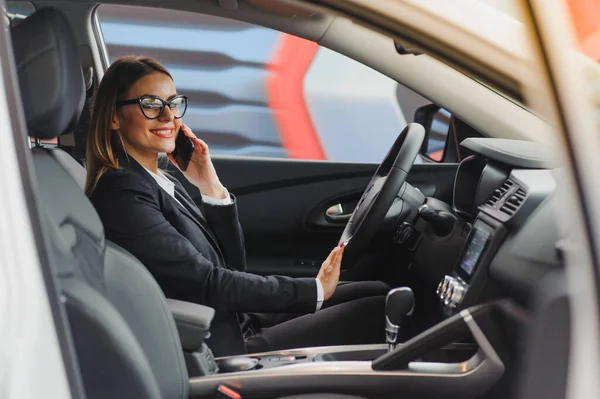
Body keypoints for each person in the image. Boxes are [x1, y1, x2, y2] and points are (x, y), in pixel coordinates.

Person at [86, 55, 389, 357]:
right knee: (380, 308)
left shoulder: (158, 179)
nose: (169, 117)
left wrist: (210, 186)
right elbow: (205, 281)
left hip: (235, 319)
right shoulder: (123, 192)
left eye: (173, 103)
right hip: (215, 344)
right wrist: (315, 289)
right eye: (151, 104)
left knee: (376, 290)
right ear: (114, 117)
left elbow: (229, 266)